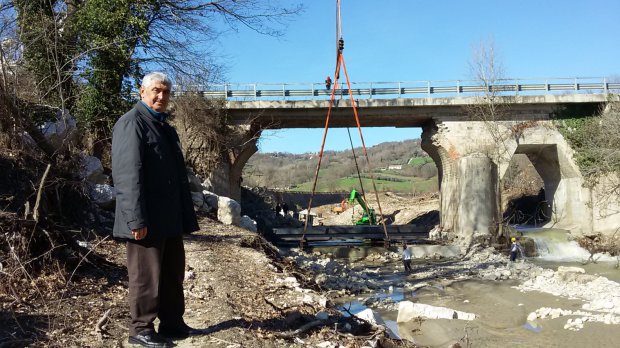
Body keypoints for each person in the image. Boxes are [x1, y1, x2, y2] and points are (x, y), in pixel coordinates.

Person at [112, 72, 201, 348]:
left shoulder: (165, 128)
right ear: (142, 92)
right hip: (146, 219)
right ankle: (140, 329)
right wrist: (135, 219)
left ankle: (172, 323)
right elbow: (128, 176)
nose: (161, 96)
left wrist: (185, 216)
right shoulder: (132, 124)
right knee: (145, 277)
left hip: (169, 218)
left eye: (165, 92)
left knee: (172, 273)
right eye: (155, 91)